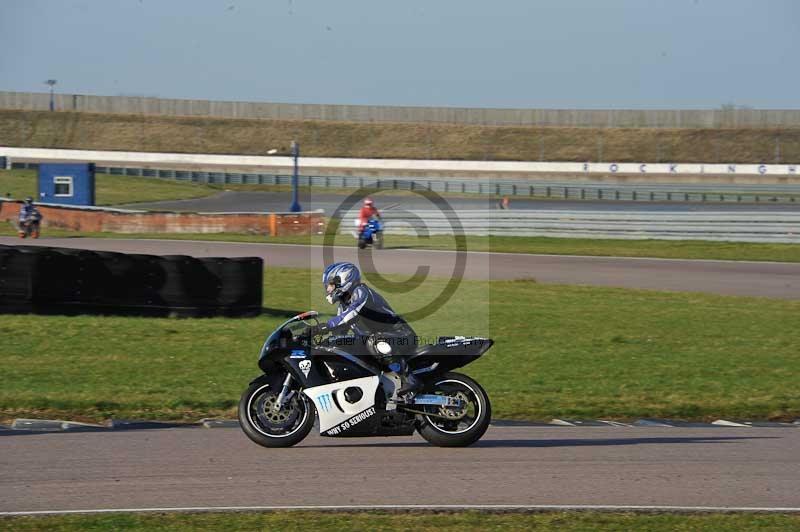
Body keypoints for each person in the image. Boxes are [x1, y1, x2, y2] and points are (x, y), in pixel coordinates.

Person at [311, 262, 421, 402]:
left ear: (345, 279)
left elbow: (352, 314)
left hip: (402, 336)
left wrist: (327, 325)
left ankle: (409, 378)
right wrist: (321, 344)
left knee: (374, 342)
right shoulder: (343, 306)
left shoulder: (361, 292)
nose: (328, 289)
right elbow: (339, 335)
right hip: (380, 342)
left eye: (331, 284)